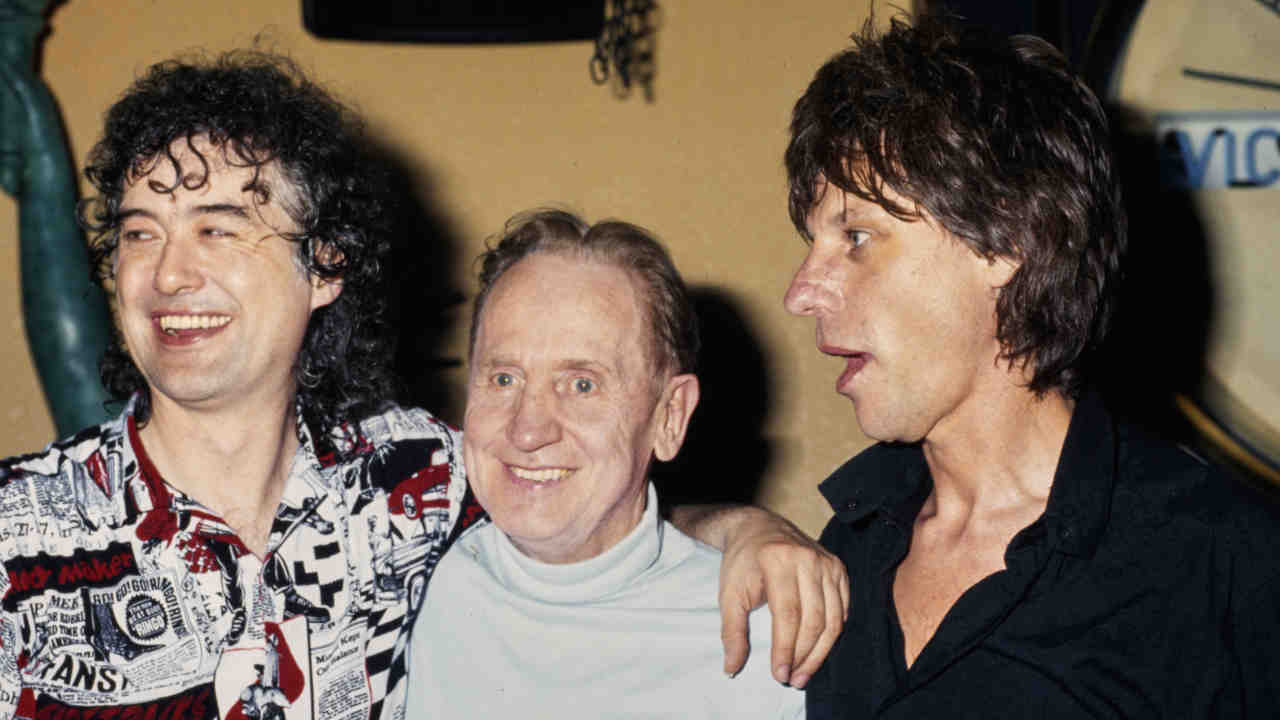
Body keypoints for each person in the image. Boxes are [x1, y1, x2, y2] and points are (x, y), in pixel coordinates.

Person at [0, 51, 842, 718]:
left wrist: (751, 533)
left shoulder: (414, 483)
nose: (167, 275)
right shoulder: (13, 534)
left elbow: (590, 508)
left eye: (217, 229)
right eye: (139, 234)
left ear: (326, 262)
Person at [782, 14, 1280, 719]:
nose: (801, 293)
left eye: (857, 237)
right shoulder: (845, 551)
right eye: (811, 244)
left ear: (1006, 241)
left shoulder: (1217, 563)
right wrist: (731, 527)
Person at [408, 210, 808, 718]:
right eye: (504, 378)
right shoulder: (400, 585)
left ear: (670, 416)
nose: (528, 430)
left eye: (582, 385)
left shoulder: (768, 643)